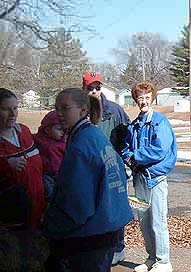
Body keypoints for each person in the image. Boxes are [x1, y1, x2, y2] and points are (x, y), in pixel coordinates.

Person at [43, 88, 133, 272]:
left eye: (66, 108)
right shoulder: (95, 135)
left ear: (83, 110)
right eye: (56, 108)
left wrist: (50, 225)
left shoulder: (81, 145)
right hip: (108, 228)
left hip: (90, 236)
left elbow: (77, 203)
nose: (59, 114)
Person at [122, 81, 177, 272]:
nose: (143, 101)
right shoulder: (134, 125)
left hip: (156, 179)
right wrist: (128, 156)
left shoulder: (160, 121)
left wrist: (136, 157)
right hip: (139, 181)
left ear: (152, 98)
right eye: (140, 98)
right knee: (144, 220)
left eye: (146, 97)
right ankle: (151, 258)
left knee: (158, 221)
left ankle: (164, 262)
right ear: (136, 100)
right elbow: (126, 147)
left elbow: (160, 149)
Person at [82, 71, 131, 264]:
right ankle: (95, 250)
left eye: (97, 87)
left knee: (115, 210)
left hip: (113, 170)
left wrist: (125, 161)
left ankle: (118, 248)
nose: (94, 90)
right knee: (92, 212)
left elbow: (128, 138)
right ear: (83, 88)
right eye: (90, 87)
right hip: (88, 173)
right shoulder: (79, 109)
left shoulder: (115, 111)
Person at [0, 88, 45, 228]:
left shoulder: (24, 131)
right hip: (11, 223)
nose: (13, 114)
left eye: (15, 108)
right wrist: (5, 165)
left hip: (39, 210)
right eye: (6, 109)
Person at [33, 110, 67, 201]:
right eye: (59, 129)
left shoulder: (64, 142)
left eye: (64, 129)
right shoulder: (38, 140)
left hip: (60, 174)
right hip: (45, 175)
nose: (62, 132)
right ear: (47, 130)